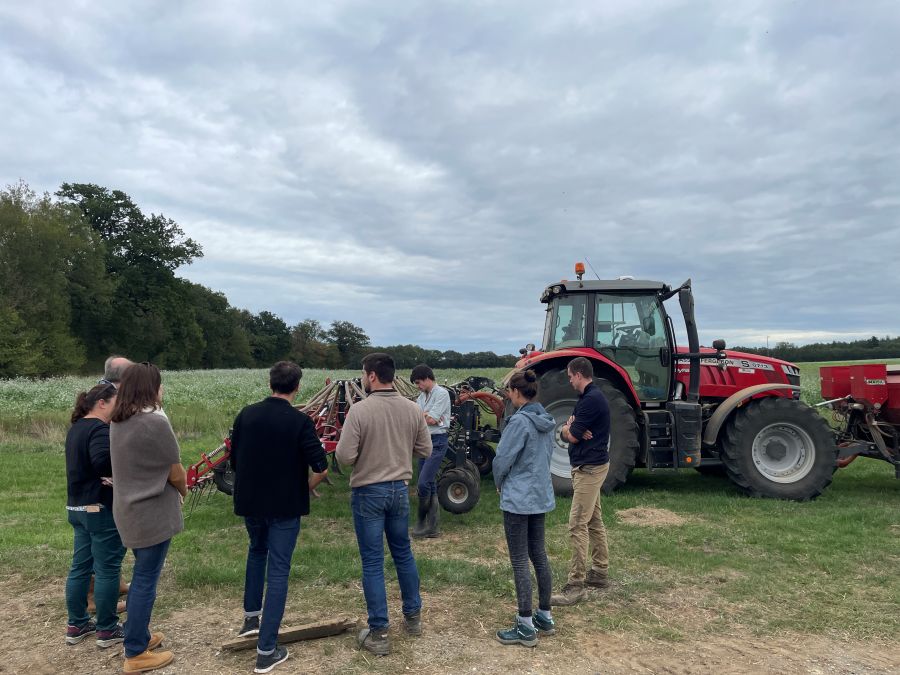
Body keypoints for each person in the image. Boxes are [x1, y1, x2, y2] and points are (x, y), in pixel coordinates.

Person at [230, 362, 329, 674]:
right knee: (279, 571)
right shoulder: (300, 421)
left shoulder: (246, 414)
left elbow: (234, 458)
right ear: (297, 387)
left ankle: (250, 619)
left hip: (251, 503)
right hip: (285, 506)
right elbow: (321, 465)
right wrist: (307, 488)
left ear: (270, 383)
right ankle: (266, 651)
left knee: (256, 552)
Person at [335, 353, 432, 656]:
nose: (364, 378)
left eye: (364, 373)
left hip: (368, 492)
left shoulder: (360, 411)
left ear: (372, 376)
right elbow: (425, 448)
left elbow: (344, 457)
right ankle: (413, 618)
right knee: (403, 554)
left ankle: (379, 632)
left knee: (373, 561)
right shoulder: (412, 408)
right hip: (399, 490)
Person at [110, 363, 186, 673]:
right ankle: (136, 653)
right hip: (151, 513)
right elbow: (175, 470)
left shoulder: (119, 420)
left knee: (142, 574)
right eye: (159, 384)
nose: (162, 389)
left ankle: (137, 634)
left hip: (128, 510)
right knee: (145, 581)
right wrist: (183, 488)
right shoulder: (154, 422)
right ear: (150, 389)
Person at [492, 370, 557, 647]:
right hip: (540, 494)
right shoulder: (547, 419)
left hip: (519, 498)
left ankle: (525, 625)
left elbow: (502, 459)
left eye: (509, 391)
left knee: (519, 559)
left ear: (517, 393)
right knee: (539, 555)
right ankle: (545, 615)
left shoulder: (519, 422)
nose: (508, 395)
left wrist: (498, 482)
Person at [64, 382, 127, 648]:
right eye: (116, 403)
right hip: (98, 508)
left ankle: (77, 623)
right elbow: (102, 460)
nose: (118, 408)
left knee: (80, 567)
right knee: (107, 570)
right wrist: (116, 473)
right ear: (102, 402)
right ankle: (107, 629)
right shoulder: (100, 429)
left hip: (76, 507)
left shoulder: (76, 428)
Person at [551, 357, 611, 607]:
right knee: (594, 521)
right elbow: (572, 431)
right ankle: (599, 572)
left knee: (577, 523)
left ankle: (576, 585)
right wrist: (570, 428)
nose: (569, 381)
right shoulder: (588, 399)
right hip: (589, 466)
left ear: (578, 374)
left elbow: (572, 436)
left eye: (569, 376)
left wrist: (569, 429)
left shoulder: (591, 401)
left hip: (589, 469)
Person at [410, 364, 451, 538]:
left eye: (419, 382)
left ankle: (421, 522)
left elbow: (433, 419)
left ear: (427, 378)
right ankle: (432, 527)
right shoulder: (423, 395)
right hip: (424, 441)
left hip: (437, 441)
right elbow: (417, 416)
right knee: (429, 482)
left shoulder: (441, 394)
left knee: (423, 483)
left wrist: (423, 415)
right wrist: (424, 415)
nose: (418, 386)